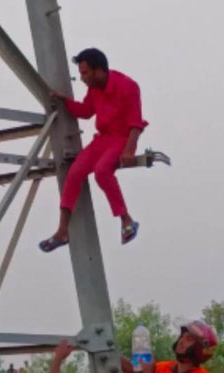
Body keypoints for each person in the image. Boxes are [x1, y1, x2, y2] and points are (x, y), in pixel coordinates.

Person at [41, 48, 147, 252]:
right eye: (81, 73)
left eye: (85, 73)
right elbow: (87, 111)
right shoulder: (95, 88)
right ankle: (62, 231)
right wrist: (65, 102)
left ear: (99, 71)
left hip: (120, 139)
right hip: (103, 139)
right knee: (74, 174)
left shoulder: (127, 86)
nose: (82, 79)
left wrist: (129, 151)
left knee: (102, 172)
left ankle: (126, 220)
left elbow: (135, 122)